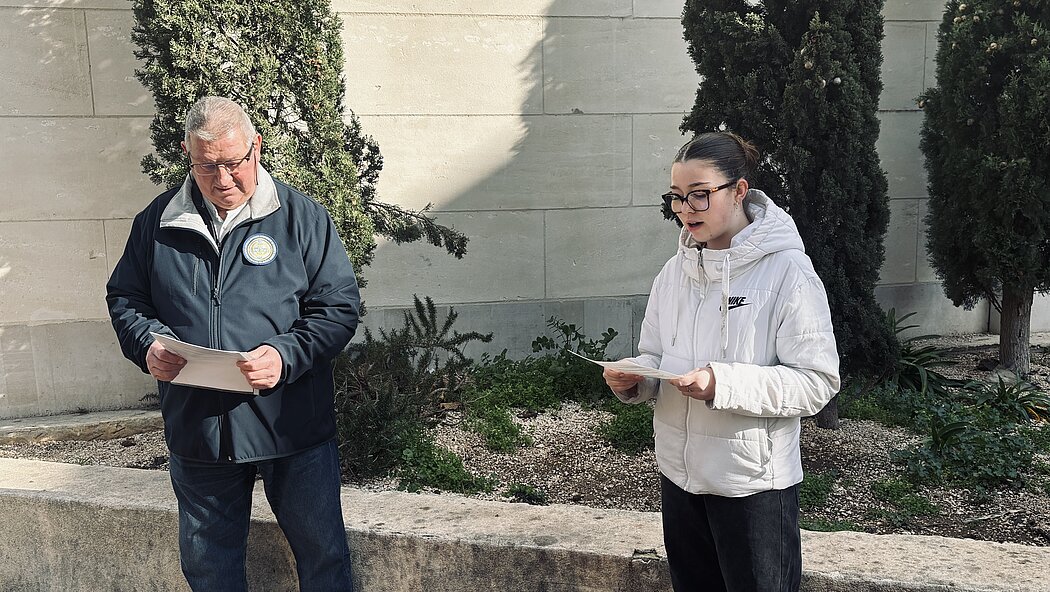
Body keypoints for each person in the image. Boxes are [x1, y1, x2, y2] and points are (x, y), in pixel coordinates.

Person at [107, 96, 359, 592]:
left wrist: (286, 355)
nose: (222, 179)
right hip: (199, 430)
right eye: (206, 166)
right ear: (187, 155)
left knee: (323, 559)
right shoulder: (156, 223)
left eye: (232, 163)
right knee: (209, 571)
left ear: (255, 149)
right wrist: (148, 344)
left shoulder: (302, 218)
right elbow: (126, 299)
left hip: (293, 426)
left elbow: (338, 308)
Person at [603, 132, 840, 592]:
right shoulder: (674, 273)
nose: (685, 208)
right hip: (678, 479)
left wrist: (721, 383)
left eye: (699, 195)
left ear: (739, 191)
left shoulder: (788, 272)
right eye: (676, 197)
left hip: (753, 488)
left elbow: (816, 381)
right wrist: (637, 379)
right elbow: (656, 354)